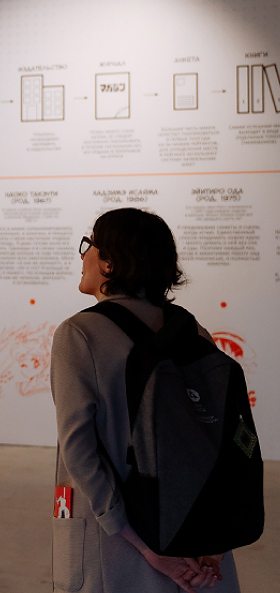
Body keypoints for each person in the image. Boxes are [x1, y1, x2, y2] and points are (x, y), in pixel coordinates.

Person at [51, 208, 237, 593]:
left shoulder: (78, 334)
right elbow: (223, 441)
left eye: (89, 246)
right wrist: (214, 543)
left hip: (118, 544)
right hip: (197, 533)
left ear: (110, 262)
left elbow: (79, 451)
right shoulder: (193, 331)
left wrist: (145, 546)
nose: (83, 256)